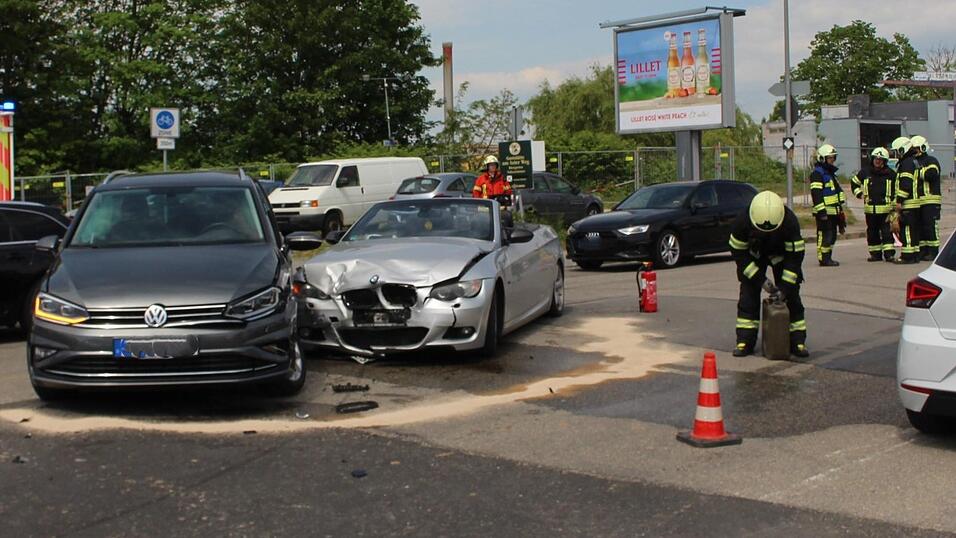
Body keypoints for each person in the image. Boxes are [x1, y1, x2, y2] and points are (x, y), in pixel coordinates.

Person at [729, 191, 808, 358]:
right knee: (748, 296)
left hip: (781, 256)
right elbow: (739, 254)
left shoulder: (789, 222)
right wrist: (760, 279)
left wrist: (785, 288)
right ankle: (745, 341)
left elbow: (795, 258)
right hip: (753, 255)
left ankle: (797, 342)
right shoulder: (741, 222)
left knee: (792, 297)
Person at [850, 147, 896, 262]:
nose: (877, 161)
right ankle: (875, 254)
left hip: (886, 210)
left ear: (885, 161)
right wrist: (859, 194)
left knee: (887, 233)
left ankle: (889, 254)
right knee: (872, 233)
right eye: (876, 158)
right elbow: (854, 183)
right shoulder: (865, 172)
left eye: (880, 159)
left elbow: (897, 190)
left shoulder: (891, 174)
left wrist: (895, 205)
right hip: (870, 210)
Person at [809, 144, 846, 267]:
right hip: (824, 213)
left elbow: (836, 192)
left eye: (833, 158)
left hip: (834, 211)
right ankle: (823, 259)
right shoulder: (817, 174)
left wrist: (840, 210)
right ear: (822, 159)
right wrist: (821, 212)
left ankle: (828, 256)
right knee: (824, 235)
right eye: (830, 158)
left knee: (832, 236)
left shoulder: (830, 173)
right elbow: (816, 194)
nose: (832, 160)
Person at [911, 135, 942, 260]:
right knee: (920, 227)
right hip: (918, 201)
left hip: (930, 200)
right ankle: (923, 250)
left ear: (923, 148)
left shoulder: (931, 160)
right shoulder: (912, 162)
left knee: (930, 226)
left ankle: (933, 251)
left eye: (916, 149)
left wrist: (917, 171)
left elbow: (932, 174)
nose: (915, 151)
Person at [892, 136, 921, 264]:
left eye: (897, 151)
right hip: (914, 203)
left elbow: (906, 184)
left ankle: (907, 256)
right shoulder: (914, 161)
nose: (896, 154)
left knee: (907, 230)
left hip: (908, 203)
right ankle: (914, 254)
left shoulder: (906, 163)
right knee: (914, 230)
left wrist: (899, 200)